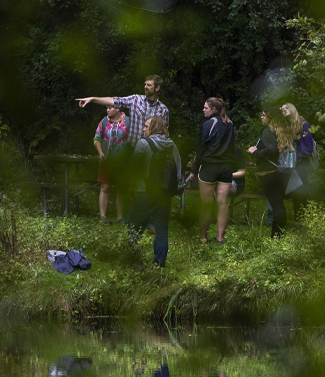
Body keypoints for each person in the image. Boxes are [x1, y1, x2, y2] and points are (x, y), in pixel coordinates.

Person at [124, 116, 181, 267]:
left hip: (145, 192)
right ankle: (159, 264)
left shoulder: (143, 143)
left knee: (133, 226)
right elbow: (178, 172)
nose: (143, 129)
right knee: (162, 229)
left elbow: (133, 170)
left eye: (146, 126)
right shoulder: (172, 145)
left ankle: (133, 261)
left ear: (153, 128)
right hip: (165, 195)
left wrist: (131, 187)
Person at [190, 97, 243, 244]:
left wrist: (194, 169)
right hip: (225, 168)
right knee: (222, 203)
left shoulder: (208, 124)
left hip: (210, 167)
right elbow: (231, 147)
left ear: (214, 109)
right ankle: (220, 238)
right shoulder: (230, 123)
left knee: (206, 204)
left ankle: (203, 238)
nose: (203, 110)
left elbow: (202, 149)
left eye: (206, 107)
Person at [76, 74, 170, 151]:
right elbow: (114, 101)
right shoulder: (135, 100)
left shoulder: (163, 109)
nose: (145, 87)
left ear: (157, 88)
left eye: (149, 85)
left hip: (152, 150)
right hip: (133, 149)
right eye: (145, 84)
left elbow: (163, 134)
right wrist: (92, 99)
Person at [247, 107, 296, 238]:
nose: (261, 117)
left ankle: (277, 236)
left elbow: (271, 148)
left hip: (269, 173)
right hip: (282, 171)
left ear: (271, 118)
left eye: (264, 115)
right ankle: (279, 233)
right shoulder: (281, 130)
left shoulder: (268, 131)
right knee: (278, 203)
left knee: (276, 204)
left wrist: (255, 152)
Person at [93, 106, 131, 224]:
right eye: (106, 108)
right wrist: (100, 152)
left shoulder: (128, 122)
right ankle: (102, 217)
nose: (107, 110)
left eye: (110, 108)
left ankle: (120, 217)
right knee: (105, 188)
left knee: (121, 188)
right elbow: (96, 138)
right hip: (107, 161)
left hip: (123, 162)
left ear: (118, 109)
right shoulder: (104, 121)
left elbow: (134, 139)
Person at [280, 102, 315, 220]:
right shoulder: (287, 126)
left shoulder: (303, 124)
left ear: (292, 108)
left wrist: (298, 157)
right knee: (295, 190)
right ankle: (298, 219)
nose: (284, 110)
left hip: (302, 163)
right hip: (291, 163)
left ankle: (307, 218)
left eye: (286, 108)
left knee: (302, 190)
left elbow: (308, 147)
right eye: (282, 109)